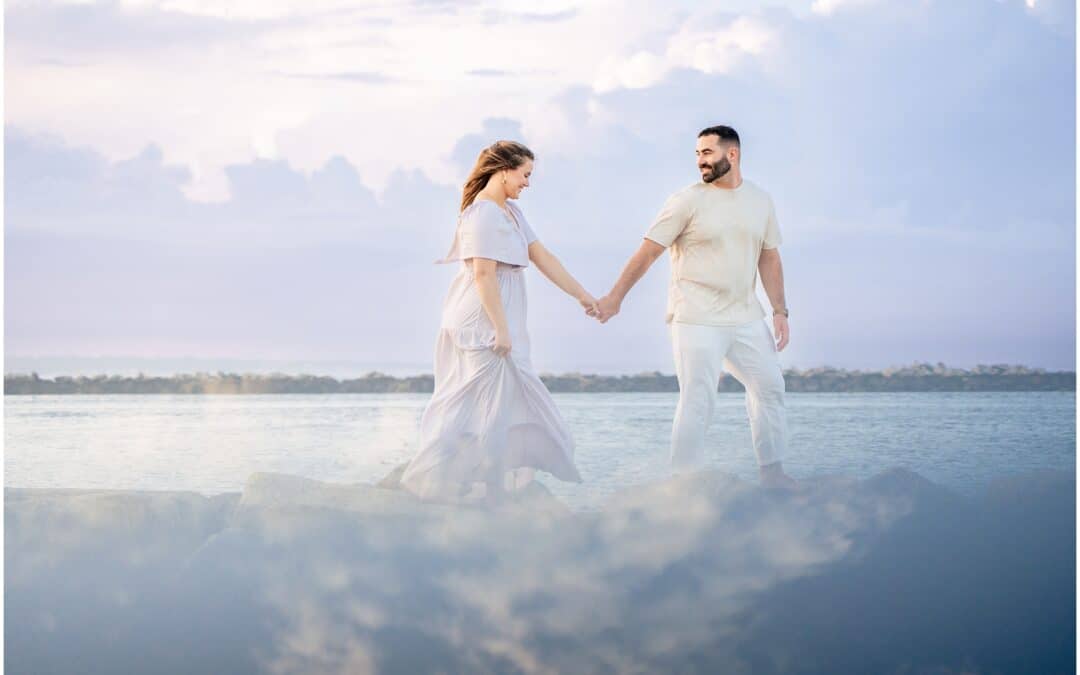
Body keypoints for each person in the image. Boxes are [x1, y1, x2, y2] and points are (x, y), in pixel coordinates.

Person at [593, 125, 799, 490]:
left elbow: (769, 258)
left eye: (707, 153)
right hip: (695, 316)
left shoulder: (761, 200)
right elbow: (649, 251)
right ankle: (682, 483)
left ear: (731, 154)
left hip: (746, 315)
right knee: (699, 397)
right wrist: (615, 297)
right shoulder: (686, 200)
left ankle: (773, 474)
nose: (700, 161)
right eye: (697, 154)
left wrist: (780, 310)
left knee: (770, 386)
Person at [400, 141, 595, 503]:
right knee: (482, 406)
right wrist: (501, 329)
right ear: (504, 170)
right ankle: (453, 481)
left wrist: (582, 295)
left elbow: (543, 257)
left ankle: (485, 477)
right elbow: (484, 275)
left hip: (500, 320)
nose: (527, 183)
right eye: (525, 175)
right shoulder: (484, 214)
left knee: (499, 403)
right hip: (482, 320)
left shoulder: (512, 214)